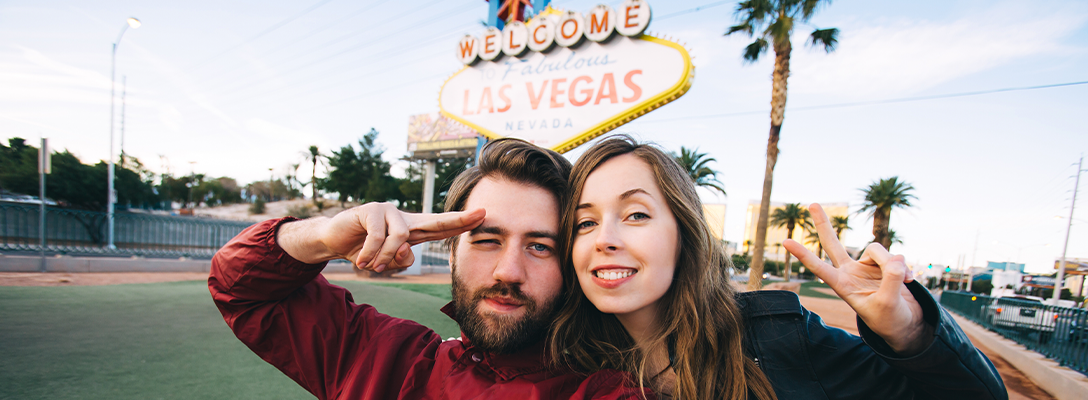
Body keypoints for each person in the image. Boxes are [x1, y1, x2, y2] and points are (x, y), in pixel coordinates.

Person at [548, 135, 1007, 399]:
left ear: (684, 233)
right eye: (585, 222)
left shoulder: (780, 340)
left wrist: (909, 336)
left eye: (636, 215)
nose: (605, 238)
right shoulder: (563, 359)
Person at [209, 139, 649, 399]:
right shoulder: (376, 355)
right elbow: (240, 286)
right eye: (487, 240)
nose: (508, 271)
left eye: (539, 246)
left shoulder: (604, 392)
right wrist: (323, 236)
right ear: (452, 250)